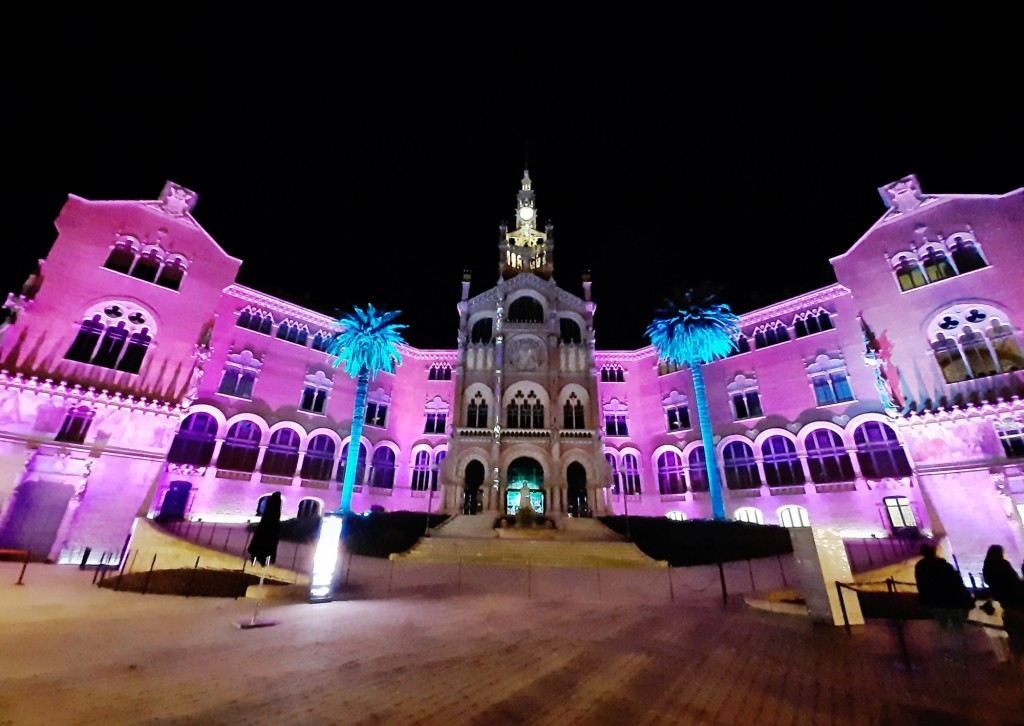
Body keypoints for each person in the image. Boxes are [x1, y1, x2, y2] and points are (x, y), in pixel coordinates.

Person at [914, 543, 975, 657]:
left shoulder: (921, 567)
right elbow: (957, 582)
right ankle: (962, 650)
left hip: (935, 602)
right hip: (952, 601)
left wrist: (925, 601)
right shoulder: (944, 565)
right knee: (958, 626)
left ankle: (946, 651)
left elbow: (922, 586)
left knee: (942, 626)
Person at [982, 544, 1024, 665]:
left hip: (1002, 603)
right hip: (1013, 602)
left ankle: (1012, 658)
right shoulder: (1004, 565)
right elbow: (1014, 581)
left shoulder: (987, 567)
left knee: (1013, 633)